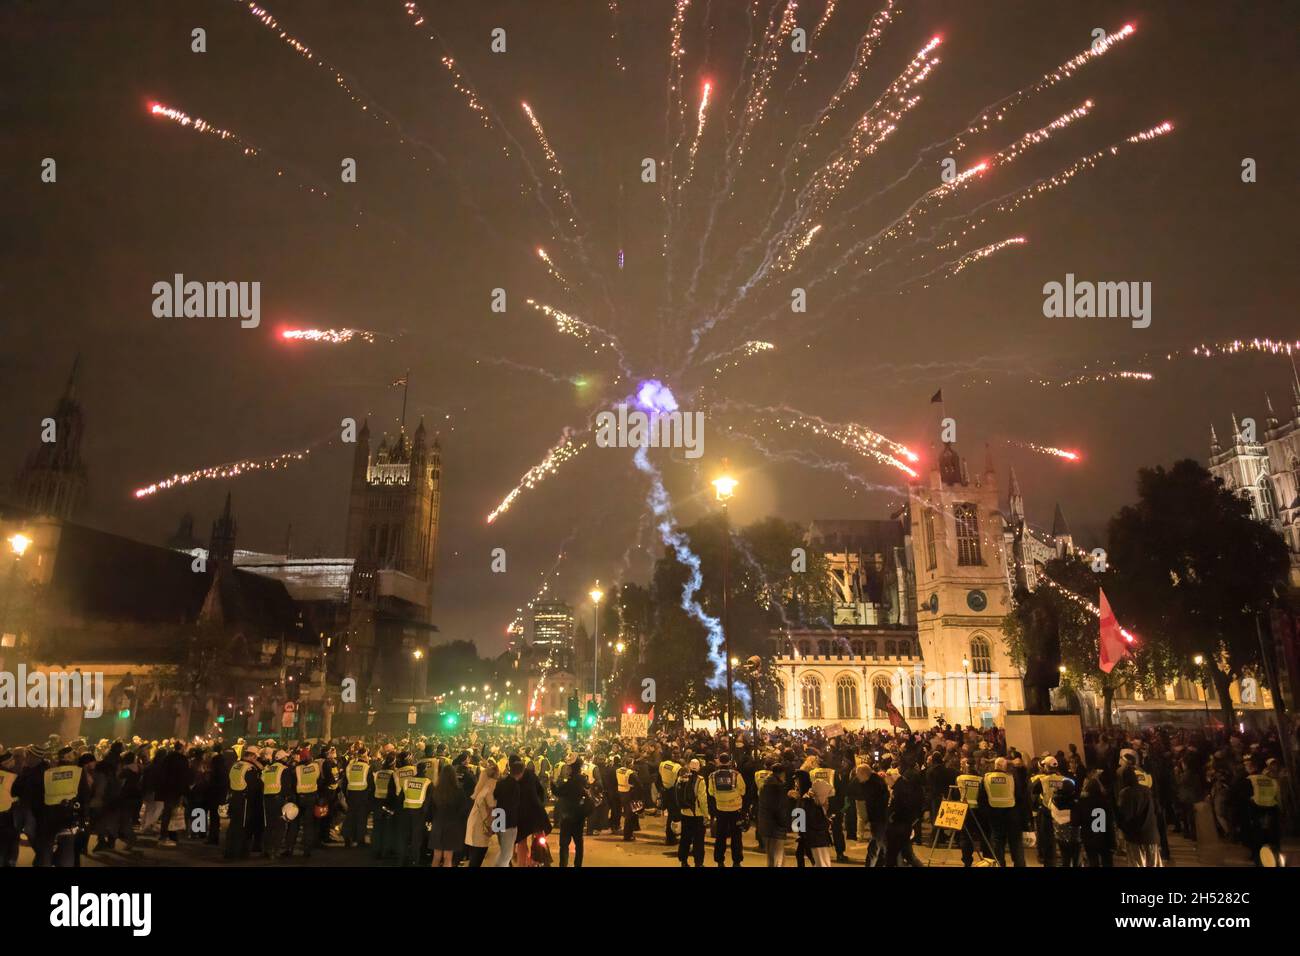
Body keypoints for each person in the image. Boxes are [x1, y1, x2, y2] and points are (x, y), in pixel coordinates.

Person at [1232, 753, 1281, 866]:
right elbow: (1278, 797)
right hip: (1271, 811)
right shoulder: (1271, 780)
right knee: (1271, 839)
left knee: (1258, 841)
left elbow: (1241, 797)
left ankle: (1260, 860)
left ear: (1251, 767)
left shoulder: (1249, 780)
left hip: (1256, 812)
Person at [981, 757, 1024, 867]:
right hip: (1012, 814)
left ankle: (999, 864)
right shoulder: (1011, 778)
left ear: (995, 766)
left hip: (994, 814)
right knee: (1015, 843)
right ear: (1004, 766)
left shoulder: (986, 777)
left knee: (997, 842)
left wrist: (987, 813)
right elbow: (1019, 796)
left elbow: (982, 798)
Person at [1117, 765, 1162, 866]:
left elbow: (1124, 816)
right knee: (1153, 864)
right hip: (1151, 835)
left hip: (1135, 837)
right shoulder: (1147, 790)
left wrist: (1122, 829)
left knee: (1137, 863)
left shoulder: (1125, 794)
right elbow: (1157, 810)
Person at [223, 745, 262, 860]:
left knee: (233, 826)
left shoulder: (235, 765)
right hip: (245, 801)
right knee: (243, 827)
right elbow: (254, 786)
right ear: (253, 756)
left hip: (234, 798)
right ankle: (239, 853)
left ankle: (229, 851)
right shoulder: (250, 768)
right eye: (255, 757)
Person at [708, 751, 746, 867]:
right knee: (736, 836)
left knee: (720, 836)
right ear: (729, 761)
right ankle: (736, 861)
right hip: (735, 810)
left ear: (719, 761)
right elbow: (743, 790)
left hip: (721, 809)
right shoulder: (736, 775)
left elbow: (710, 792)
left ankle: (720, 861)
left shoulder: (712, 776)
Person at [552, 755, 589, 867]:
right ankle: (578, 864)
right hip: (579, 817)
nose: (567, 769)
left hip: (567, 817)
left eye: (569, 767)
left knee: (564, 844)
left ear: (573, 768)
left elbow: (558, 792)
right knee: (579, 843)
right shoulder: (583, 780)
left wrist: (552, 784)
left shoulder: (571, 782)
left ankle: (563, 865)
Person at [885, 763, 924, 867]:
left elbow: (896, 807)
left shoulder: (899, 790)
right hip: (905, 825)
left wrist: (890, 817)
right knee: (907, 854)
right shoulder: (906, 787)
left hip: (899, 826)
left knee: (897, 854)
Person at [432, 763, 470, 867]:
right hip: (452, 826)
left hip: (438, 825)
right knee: (448, 858)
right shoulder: (458, 791)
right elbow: (464, 809)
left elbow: (431, 808)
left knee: (436, 857)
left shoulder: (436, 790)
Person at [1029, 755, 1065, 867]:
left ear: (1046, 767)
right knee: (1062, 839)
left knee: (1048, 842)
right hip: (1061, 814)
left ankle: (1050, 863)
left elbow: (1033, 790)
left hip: (1047, 813)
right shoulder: (1063, 779)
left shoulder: (1042, 780)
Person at [399, 757, 433, 867]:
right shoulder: (427, 782)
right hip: (419, 813)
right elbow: (429, 801)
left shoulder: (407, 781)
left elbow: (401, 797)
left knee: (405, 837)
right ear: (425, 770)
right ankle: (414, 861)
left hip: (406, 811)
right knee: (416, 839)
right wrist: (429, 817)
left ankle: (402, 860)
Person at [465, 761, 500, 867]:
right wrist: (491, 827)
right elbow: (491, 807)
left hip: (474, 822)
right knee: (479, 854)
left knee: (475, 854)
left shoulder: (482, 785)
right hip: (482, 825)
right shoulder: (492, 785)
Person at [675, 758, 708, 867]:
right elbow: (702, 800)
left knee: (685, 838)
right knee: (698, 840)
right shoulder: (700, 780)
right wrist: (706, 814)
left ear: (689, 766)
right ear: (699, 767)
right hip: (697, 815)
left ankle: (683, 861)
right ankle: (698, 863)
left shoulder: (682, 778)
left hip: (685, 813)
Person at [260, 750, 294, 858]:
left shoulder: (268, 769)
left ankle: (266, 849)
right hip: (279, 799)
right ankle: (275, 850)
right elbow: (287, 786)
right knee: (280, 826)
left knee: (269, 825)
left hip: (267, 799)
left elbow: (262, 781)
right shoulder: (284, 769)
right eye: (285, 757)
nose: (287, 759)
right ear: (282, 759)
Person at [757, 763, 792, 867]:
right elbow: (779, 809)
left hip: (765, 825)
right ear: (781, 774)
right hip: (776, 827)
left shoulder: (765, 785)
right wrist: (785, 824)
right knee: (778, 858)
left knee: (771, 857)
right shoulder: (777, 788)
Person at [492, 756, 523, 867]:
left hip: (498, 818)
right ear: (520, 773)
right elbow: (515, 805)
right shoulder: (515, 786)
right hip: (509, 822)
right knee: (507, 854)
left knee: (503, 850)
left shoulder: (501, 782)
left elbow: (495, 795)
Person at [342, 747, 372, 848]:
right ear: (364, 756)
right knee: (361, 818)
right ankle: (360, 840)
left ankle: (347, 837)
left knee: (350, 816)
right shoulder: (367, 767)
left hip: (351, 794)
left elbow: (344, 783)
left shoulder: (349, 766)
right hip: (362, 794)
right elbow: (371, 783)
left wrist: (346, 796)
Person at [615, 755, 640, 842]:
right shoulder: (630, 772)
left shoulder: (618, 770)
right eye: (632, 763)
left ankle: (630, 833)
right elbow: (638, 783)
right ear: (629, 764)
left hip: (621, 793)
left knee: (628, 813)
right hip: (629, 794)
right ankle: (627, 835)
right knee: (630, 815)